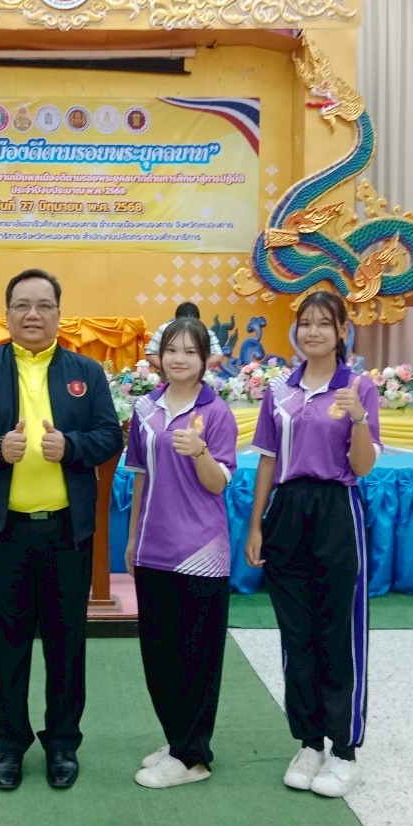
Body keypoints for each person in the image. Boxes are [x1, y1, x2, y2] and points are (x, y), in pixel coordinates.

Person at [0, 269, 121, 791]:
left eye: (44, 305)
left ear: (59, 314)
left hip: (68, 533)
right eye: (22, 305)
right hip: (7, 532)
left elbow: (109, 436)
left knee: (67, 644)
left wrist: (71, 447)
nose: (33, 315)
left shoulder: (85, 372)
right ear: (7, 313)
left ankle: (63, 743)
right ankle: (8, 745)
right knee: (10, 643)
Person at [243, 290, 380, 799]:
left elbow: (362, 466)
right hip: (287, 511)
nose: (314, 331)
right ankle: (309, 742)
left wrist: (359, 418)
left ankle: (344, 750)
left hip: (335, 509)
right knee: (295, 633)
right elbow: (268, 460)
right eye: (306, 323)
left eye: (325, 323)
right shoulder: (279, 390)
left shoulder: (358, 387)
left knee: (337, 631)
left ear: (342, 331)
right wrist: (256, 526)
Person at [124, 317, 238, 789]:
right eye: (172, 349)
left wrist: (200, 452)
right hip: (154, 550)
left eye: (191, 351)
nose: (179, 359)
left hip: (201, 554)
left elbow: (217, 485)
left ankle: (193, 757)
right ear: (159, 355)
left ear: (206, 359)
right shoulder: (144, 408)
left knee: (198, 657)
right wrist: (133, 539)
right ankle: (177, 739)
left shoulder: (217, 413)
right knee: (160, 655)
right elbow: (140, 476)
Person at [144, 302, 224, 371]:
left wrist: (199, 369)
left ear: (198, 321)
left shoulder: (205, 332)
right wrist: (168, 370)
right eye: (171, 350)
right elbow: (151, 353)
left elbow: (218, 355)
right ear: (176, 319)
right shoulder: (164, 329)